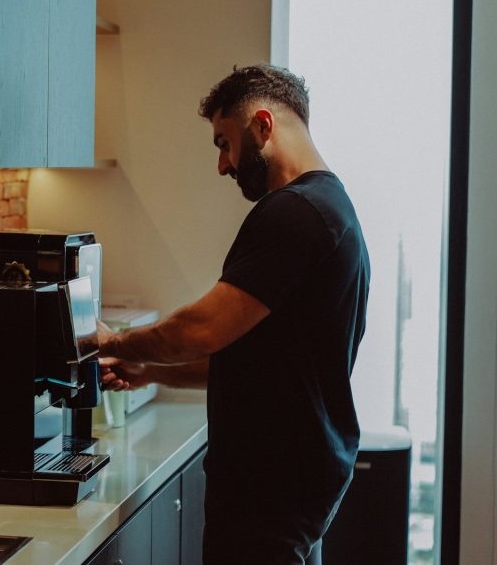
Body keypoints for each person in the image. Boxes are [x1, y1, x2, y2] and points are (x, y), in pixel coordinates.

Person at [92, 64, 370, 565]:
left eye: (224, 142)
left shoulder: (296, 212)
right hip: (292, 487)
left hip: (269, 493)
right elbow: (258, 355)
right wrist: (152, 371)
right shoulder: (331, 207)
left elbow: (202, 329)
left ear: (262, 126)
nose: (223, 164)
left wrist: (113, 343)